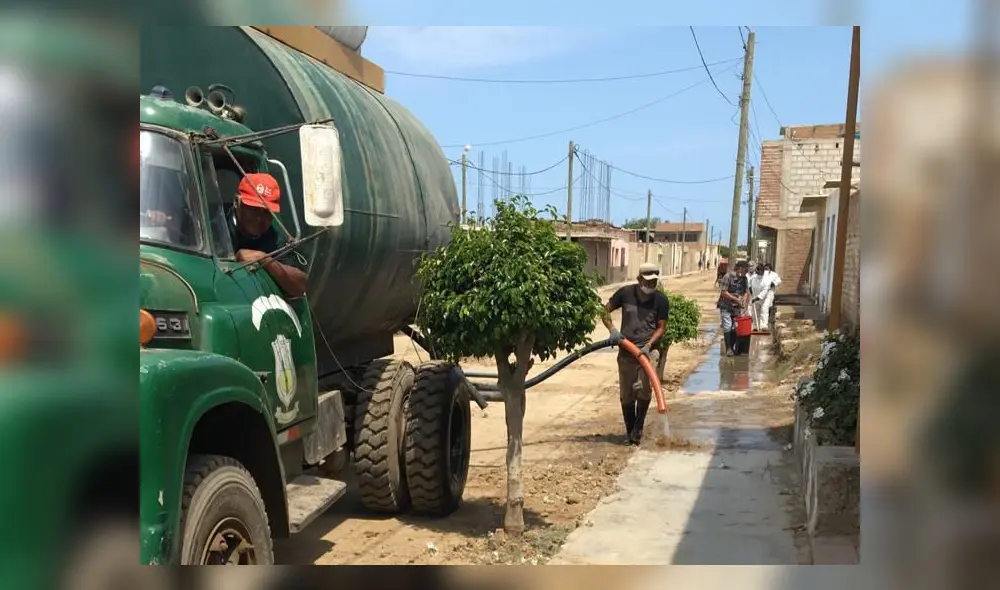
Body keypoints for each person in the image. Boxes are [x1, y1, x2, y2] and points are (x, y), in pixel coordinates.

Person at [602, 262, 670, 446]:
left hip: (648, 351)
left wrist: (648, 345)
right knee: (626, 393)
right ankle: (630, 431)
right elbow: (604, 311)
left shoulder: (661, 300)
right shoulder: (625, 293)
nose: (651, 286)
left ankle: (638, 429)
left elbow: (661, 328)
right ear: (639, 279)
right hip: (626, 350)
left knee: (644, 388)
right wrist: (613, 330)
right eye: (647, 282)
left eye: (654, 282)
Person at [231, 173, 309, 298]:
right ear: (236, 202)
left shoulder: (275, 240)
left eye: (267, 212)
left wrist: (265, 260)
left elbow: (300, 286)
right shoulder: (215, 226)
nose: (260, 218)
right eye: (254, 208)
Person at [717, 260, 751, 356]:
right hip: (726, 305)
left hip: (737, 307)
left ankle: (733, 347)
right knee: (727, 326)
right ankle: (728, 349)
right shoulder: (727, 277)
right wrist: (735, 299)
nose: (746, 273)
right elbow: (723, 292)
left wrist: (744, 300)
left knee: (735, 327)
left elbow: (745, 291)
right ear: (739, 269)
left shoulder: (744, 279)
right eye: (745, 270)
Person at [752, 263, 782, 330]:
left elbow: (778, 280)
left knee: (764, 310)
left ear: (770, 269)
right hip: (757, 294)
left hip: (768, 294)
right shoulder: (757, 275)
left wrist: (773, 284)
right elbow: (752, 282)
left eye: (767, 269)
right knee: (756, 311)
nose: (766, 270)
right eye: (765, 269)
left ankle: (764, 326)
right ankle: (756, 326)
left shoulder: (773, 275)